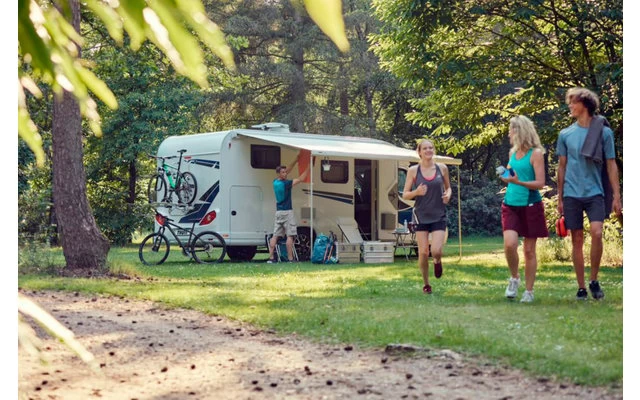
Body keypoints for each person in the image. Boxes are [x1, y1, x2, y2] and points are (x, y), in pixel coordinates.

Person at [556, 87, 622, 300]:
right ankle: (581, 287)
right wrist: (559, 196)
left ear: (585, 105)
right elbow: (561, 167)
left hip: (595, 192)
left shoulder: (604, 133)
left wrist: (617, 196)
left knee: (597, 232)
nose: (570, 106)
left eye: (573, 102)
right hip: (571, 193)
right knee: (576, 239)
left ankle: (594, 280)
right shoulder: (565, 134)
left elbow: (611, 164)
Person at [499, 116, 548, 303]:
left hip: (530, 205)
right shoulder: (513, 153)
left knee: (529, 251)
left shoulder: (536, 154)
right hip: (510, 203)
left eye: (511, 130)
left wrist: (518, 181)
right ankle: (514, 278)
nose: (509, 134)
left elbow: (540, 183)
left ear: (520, 131)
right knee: (510, 244)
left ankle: (529, 291)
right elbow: (510, 175)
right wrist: (505, 175)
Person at [402, 139, 452, 294]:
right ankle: (426, 284)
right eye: (425, 148)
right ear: (419, 152)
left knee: (436, 250)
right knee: (423, 252)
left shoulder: (442, 168)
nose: (428, 150)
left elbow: (449, 188)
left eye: (431, 148)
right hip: (421, 215)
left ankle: (437, 260)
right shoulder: (413, 171)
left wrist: (448, 195)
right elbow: (405, 194)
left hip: (438, 215)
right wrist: (416, 192)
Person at [267, 152, 312, 263]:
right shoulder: (286, 184)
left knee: (275, 236)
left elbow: (288, 170)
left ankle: (271, 258)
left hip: (278, 212)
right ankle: (290, 259)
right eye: (283, 172)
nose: (285, 173)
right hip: (287, 212)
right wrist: (309, 167)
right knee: (290, 236)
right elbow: (301, 178)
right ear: (279, 173)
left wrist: (296, 159)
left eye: (285, 172)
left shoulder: (275, 182)